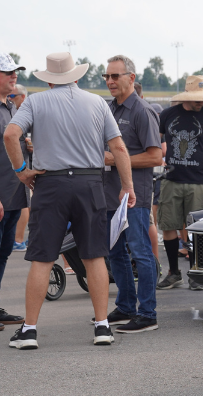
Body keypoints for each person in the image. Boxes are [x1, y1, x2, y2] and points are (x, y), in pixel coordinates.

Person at [4, 52, 135, 349]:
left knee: (42, 258)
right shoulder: (96, 103)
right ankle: (102, 326)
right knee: (94, 256)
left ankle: (30, 330)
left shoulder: (36, 101)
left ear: (49, 79)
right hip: (90, 182)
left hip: (51, 183)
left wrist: (22, 171)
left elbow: (11, 134)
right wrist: (127, 186)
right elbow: (119, 148)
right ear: (76, 76)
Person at [101, 55, 162, 333]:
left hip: (135, 196)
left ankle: (148, 313)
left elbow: (155, 157)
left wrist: (116, 160)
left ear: (131, 78)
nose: (111, 81)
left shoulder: (142, 111)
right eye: (107, 77)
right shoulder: (110, 109)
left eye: (116, 76)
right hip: (112, 195)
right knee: (115, 254)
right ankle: (126, 306)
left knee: (140, 252)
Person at [157, 75, 203, 291]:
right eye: (198, 98)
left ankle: (197, 273)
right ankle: (173, 272)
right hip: (172, 180)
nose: (202, 102)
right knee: (169, 227)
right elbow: (153, 141)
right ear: (187, 95)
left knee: (198, 230)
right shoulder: (167, 115)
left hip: (199, 182)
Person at [0, 53, 27, 329]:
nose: (13, 76)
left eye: (14, 71)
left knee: (4, 252)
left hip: (12, 196)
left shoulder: (10, 106)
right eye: (7, 72)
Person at [10, 84, 30, 252]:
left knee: (22, 202)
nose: (10, 99)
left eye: (12, 96)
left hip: (20, 165)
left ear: (22, 97)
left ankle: (18, 240)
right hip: (19, 163)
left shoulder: (23, 112)